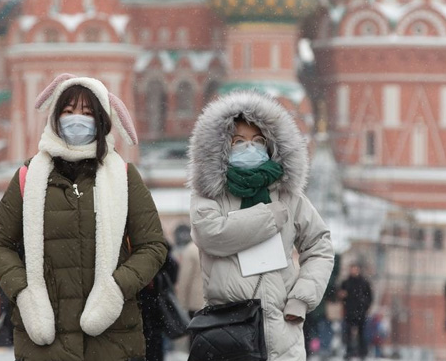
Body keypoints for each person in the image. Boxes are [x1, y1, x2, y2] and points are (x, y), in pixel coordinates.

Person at [0, 74, 167, 361]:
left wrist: (116, 289)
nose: (76, 120)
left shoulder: (124, 178)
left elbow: (153, 246)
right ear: (55, 119)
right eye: (68, 112)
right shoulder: (29, 178)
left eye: (87, 112)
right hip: (44, 341)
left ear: (103, 121)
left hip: (112, 338)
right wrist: (25, 293)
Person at [187, 91, 334, 360]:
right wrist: (268, 218)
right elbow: (211, 234)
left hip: (283, 334)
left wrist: (301, 298)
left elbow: (320, 245)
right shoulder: (211, 196)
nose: (249, 148)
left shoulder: (288, 196)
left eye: (257, 141)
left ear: (270, 146)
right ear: (222, 147)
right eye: (239, 141)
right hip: (230, 332)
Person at [139, 244, 179, 361]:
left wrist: (155, 281)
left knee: (152, 345)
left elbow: (172, 269)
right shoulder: (157, 245)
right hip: (149, 308)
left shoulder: (156, 246)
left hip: (150, 307)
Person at [339, 263, 372, 359]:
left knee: (362, 333)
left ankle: (362, 352)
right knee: (348, 333)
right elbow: (341, 295)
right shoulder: (346, 282)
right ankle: (349, 352)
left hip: (361, 311)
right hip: (349, 311)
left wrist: (365, 306)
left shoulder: (364, 283)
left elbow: (369, 297)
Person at [176, 237, 205, 319]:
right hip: (215, 301)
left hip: (196, 302)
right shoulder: (216, 247)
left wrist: (182, 303)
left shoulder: (190, 250)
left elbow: (184, 279)